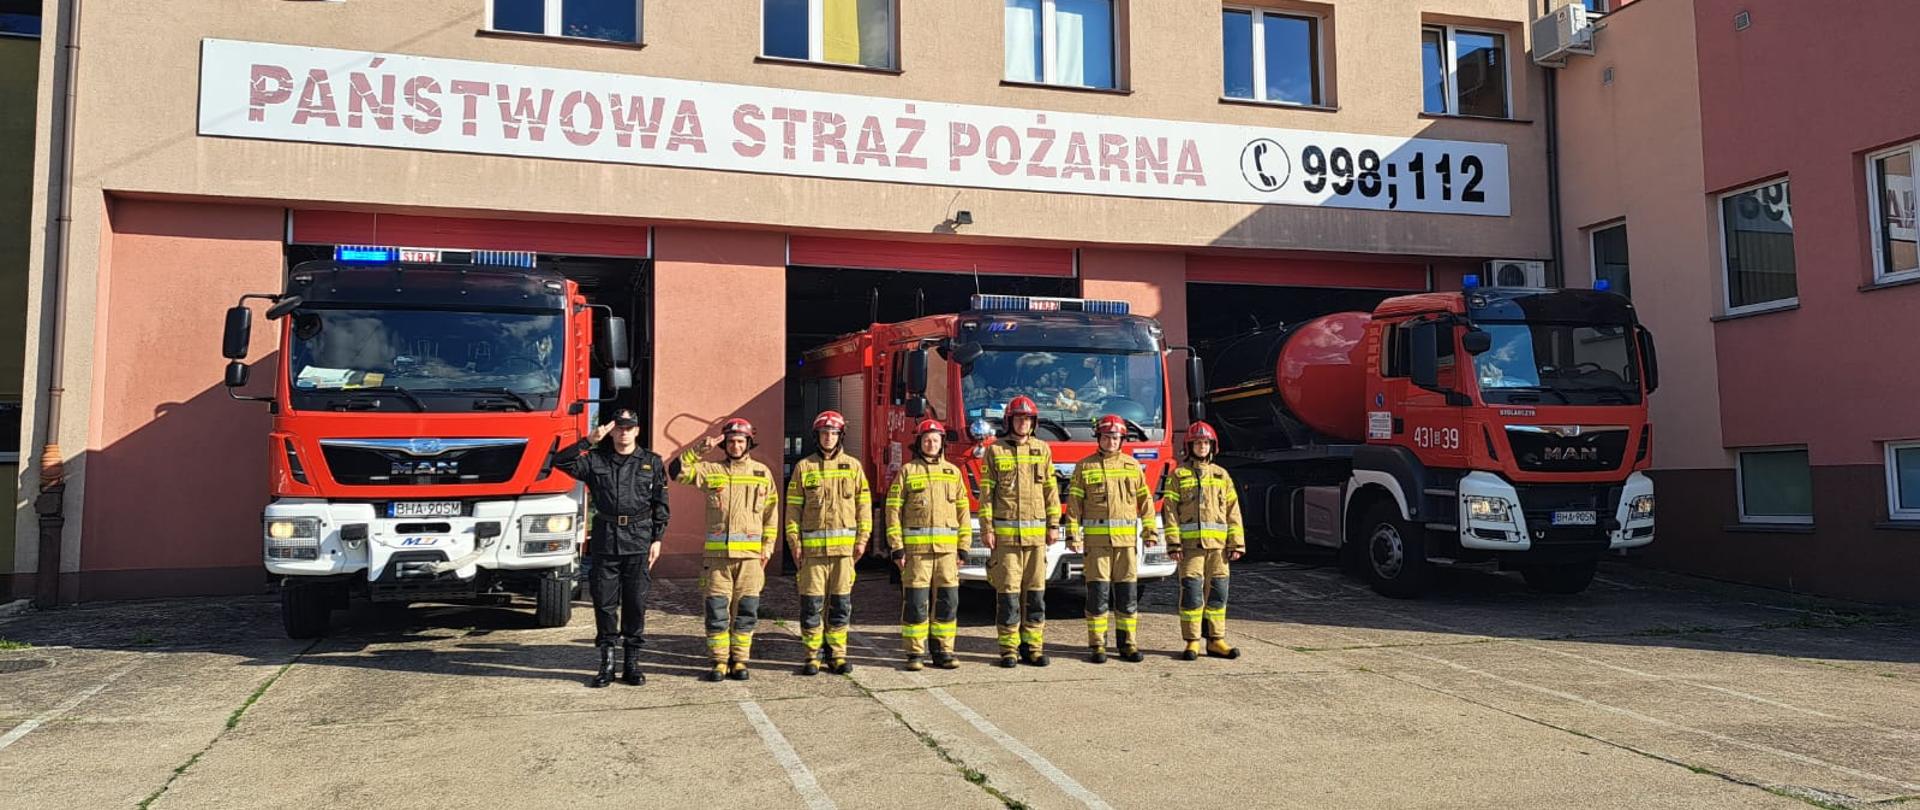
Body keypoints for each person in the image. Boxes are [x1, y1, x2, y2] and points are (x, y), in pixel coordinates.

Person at [550, 408, 670, 688]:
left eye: (629, 427)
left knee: (635, 604)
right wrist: (588, 441)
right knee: (604, 604)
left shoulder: (651, 462)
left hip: (639, 540)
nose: (624, 432)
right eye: (619, 428)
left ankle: (632, 664)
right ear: (612, 431)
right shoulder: (595, 460)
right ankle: (606, 664)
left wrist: (658, 538)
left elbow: (661, 503)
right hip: (606, 541)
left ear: (637, 430)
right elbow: (559, 461)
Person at [670, 418, 780, 682]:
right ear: (725, 444)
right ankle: (719, 661)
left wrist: (767, 550)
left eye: (740, 441)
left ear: (749, 443)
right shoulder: (710, 471)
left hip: (751, 560)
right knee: (717, 612)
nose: (735, 445)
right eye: (730, 441)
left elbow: (771, 515)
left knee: (746, 612)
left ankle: (740, 660)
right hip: (717, 560)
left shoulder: (762, 474)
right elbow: (676, 471)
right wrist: (699, 448)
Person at [1064, 414, 1157, 664]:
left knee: (1127, 595)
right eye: (1106, 436)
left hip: (1126, 544)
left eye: (1115, 437)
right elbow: (1074, 505)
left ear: (1122, 439)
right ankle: (1097, 646)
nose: (1111, 441)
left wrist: (1150, 532)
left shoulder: (1132, 466)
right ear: (1099, 438)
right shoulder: (1085, 467)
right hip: (1096, 546)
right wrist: (1072, 534)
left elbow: (1145, 502)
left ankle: (1128, 644)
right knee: (1098, 595)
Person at [785, 410, 871, 676]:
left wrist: (862, 540)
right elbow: (792, 510)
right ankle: (812, 655)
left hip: (844, 554)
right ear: (817, 436)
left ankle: (837, 655)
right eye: (824, 433)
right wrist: (794, 542)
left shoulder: (853, 467)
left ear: (840, 436)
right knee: (811, 605)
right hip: (812, 554)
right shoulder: (804, 468)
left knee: (840, 605)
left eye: (834, 433)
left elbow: (864, 506)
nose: (829, 438)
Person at [979, 395, 1061, 667]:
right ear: (1009, 421)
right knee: (1009, 594)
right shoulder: (995, 451)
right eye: (1018, 418)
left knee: (1036, 594)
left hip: (1037, 538)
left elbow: (1050, 490)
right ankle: (1009, 649)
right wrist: (987, 529)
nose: (1023, 423)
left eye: (1027, 419)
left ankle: (1033, 647)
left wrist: (1053, 525)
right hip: (1006, 539)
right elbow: (987, 494)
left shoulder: (1043, 449)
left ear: (1033, 423)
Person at [884, 419, 971, 671]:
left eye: (935, 440)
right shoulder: (908, 472)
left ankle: (943, 651)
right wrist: (896, 547)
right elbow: (892, 511)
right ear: (919, 443)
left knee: (947, 602)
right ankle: (915, 653)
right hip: (916, 555)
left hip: (947, 554)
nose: (931, 444)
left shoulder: (952, 473)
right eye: (926, 440)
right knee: (915, 604)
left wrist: (963, 546)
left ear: (942, 443)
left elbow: (963, 512)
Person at [1159, 421, 1246, 661]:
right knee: (1192, 595)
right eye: (1197, 443)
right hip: (1190, 551)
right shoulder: (1179, 475)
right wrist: (1174, 543)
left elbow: (1233, 511)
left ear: (1212, 446)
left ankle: (1216, 640)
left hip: (1218, 551)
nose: (1202, 447)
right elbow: (1170, 512)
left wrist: (1236, 543)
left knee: (1218, 594)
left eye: (1206, 443)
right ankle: (1192, 641)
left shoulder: (1221, 475)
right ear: (1190, 446)